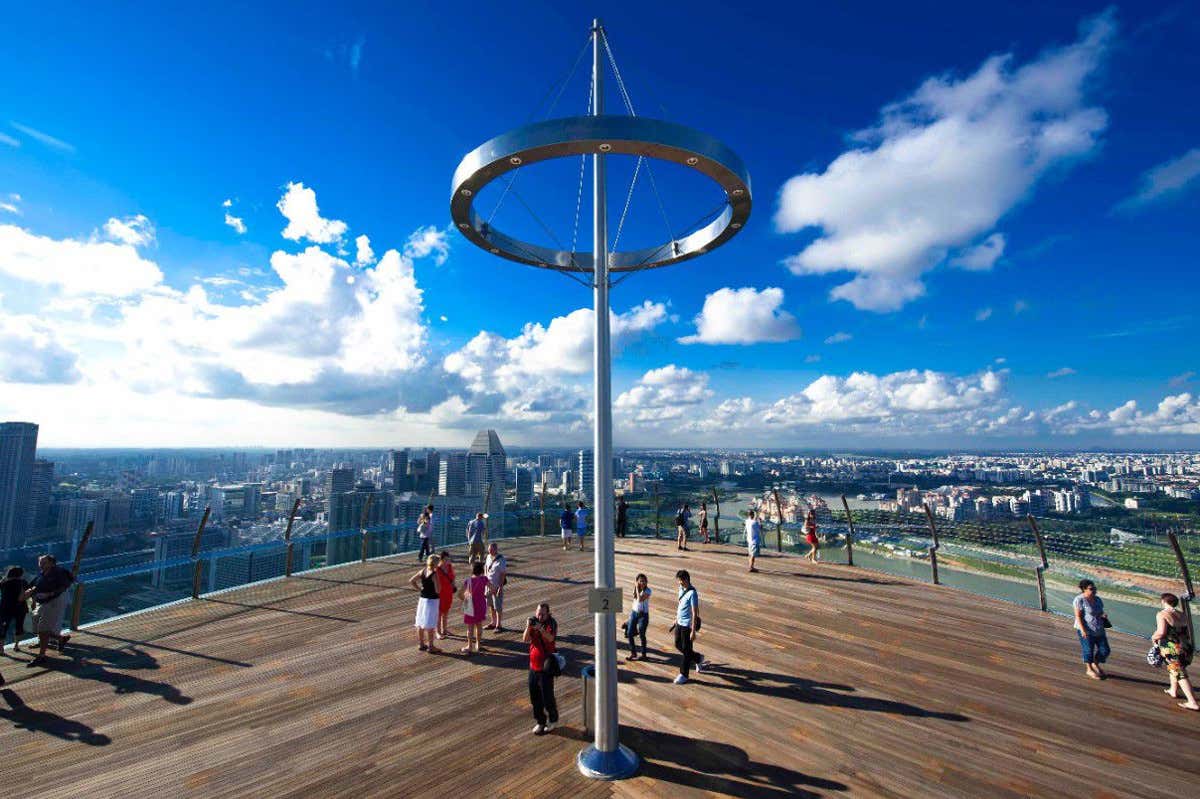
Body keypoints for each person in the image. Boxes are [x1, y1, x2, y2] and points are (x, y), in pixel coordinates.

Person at [21, 554, 74, 665]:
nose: (41, 564)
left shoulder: (59, 573)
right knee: (35, 622)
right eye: (40, 562)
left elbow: (64, 586)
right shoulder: (42, 573)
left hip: (53, 602)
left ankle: (42, 656)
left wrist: (50, 593)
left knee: (43, 628)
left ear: (51, 563)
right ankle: (60, 639)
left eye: (44, 562)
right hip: (43, 602)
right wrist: (31, 591)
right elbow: (35, 585)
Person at [1152, 592, 1198, 710]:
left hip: (1172, 648)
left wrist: (1154, 637)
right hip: (1186, 647)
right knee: (1175, 669)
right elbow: (1186, 633)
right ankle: (1173, 690)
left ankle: (1192, 702)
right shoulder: (1183, 615)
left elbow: (1161, 632)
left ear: (1163, 602)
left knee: (1180, 674)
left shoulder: (1162, 614)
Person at [523, 602, 559, 735]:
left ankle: (553, 719)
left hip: (546, 666)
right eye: (538, 613)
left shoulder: (551, 623)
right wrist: (528, 627)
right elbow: (525, 639)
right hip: (533, 666)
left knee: (547, 696)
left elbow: (551, 639)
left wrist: (541, 629)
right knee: (534, 696)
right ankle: (540, 720)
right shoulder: (533, 622)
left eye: (542, 614)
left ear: (548, 613)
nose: (539, 616)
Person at [1072, 579, 1110, 680]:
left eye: (1094, 588)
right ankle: (1089, 669)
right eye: (1091, 588)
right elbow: (1078, 616)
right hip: (1086, 630)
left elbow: (1100, 611)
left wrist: (1103, 615)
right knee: (1088, 650)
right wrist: (1083, 630)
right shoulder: (1079, 600)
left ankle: (1095, 664)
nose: (1094, 590)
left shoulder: (1098, 599)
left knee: (1105, 650)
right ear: (1084, 589)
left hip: (1099, 628)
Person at [671, 569, 705, 684]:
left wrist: (693, 631)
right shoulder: (681, 589)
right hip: (679, 622)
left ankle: (684, 674)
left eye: (681, 581)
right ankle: (698, 658)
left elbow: (695, 613)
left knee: (686, 650)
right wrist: (676, 619)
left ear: (686, 580)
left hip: (687, 625)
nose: (679, 583)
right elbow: (680, 605)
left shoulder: (692, 593)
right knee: (677, 644)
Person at [408, 555, 443, 654]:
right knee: (430, 623)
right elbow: (438, 590)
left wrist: (420, 589)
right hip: (432, 601)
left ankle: (421, 644)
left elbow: (411, 580)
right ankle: (431, 646)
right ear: (436, 563)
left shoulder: (422, 571)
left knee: (420, 622)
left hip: (422, 599)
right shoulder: (434, 574)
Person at [459, 561, 490, 655]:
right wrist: (486, 595)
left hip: (469, 604)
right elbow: (492, 589)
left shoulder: (468, 580)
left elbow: (460, 594)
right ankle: (479, 645)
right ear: (481, 570)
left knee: (470, 627)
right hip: (480, 603)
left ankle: (469, 646)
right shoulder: (484, 579)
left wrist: (465, 599)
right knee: (479, 625)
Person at [1, 566, 30, 652]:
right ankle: (16, 645)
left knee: (3, 627)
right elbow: (27, 594)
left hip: (6, 607)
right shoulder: (23, 582)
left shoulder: (4, 582)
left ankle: (1, 648)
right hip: (20, 607)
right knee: (19, 626)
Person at [625, 573, 651, 661]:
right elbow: (635, 601)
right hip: (634, 613)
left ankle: (644, 654)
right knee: (629, 633)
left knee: (642, 634)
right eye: (640, 581)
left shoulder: (648, 591)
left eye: (644, 581)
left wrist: (636, 587)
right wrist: (636, 588)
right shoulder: (636, 590)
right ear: (637, 582)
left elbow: (640, 600)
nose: (642, 583)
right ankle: (633, 653)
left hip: (643, 615)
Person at [484, 543, 508, 632]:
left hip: (497, 585)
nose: (489, 551)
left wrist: (500, 588)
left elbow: (503, 574)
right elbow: (486, 567)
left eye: (491, 550)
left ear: (496, 549)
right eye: (489, 549)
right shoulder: (488, 557)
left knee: (498, 606)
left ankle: (499, 625)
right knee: (491, 605)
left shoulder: (501, 560)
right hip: (488, 585)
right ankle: (493, 622)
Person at [435, 551, 456, 640]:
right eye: (446, 559)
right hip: (440, 593)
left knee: (446, 611)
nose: (448, 561)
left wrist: (453, 586)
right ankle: (438, 632)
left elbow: (453, 577)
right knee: (439, 613)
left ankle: (444, 629)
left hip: (448, 592)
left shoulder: (449, 567)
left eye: (449, 559)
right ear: (442, 560)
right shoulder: (437, 569)